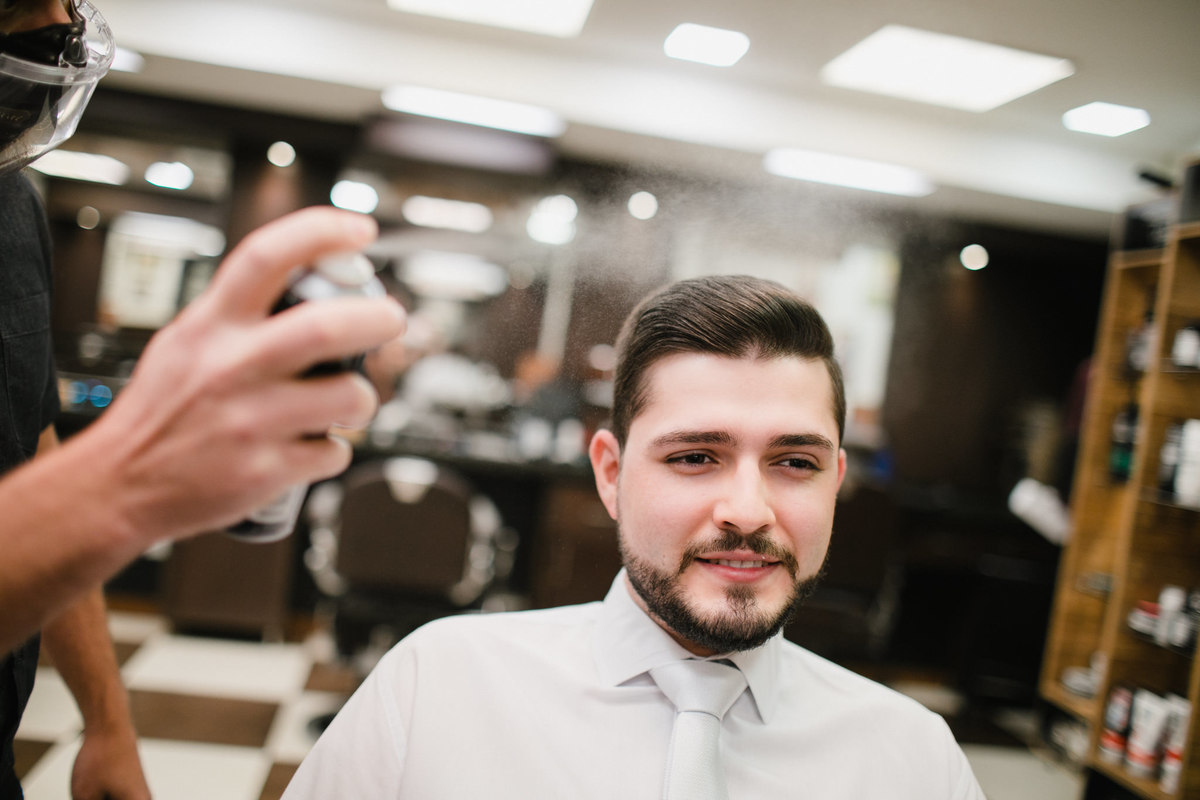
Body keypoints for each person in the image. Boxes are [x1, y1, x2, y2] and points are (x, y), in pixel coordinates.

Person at [282, 275, 985, 799]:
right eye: (695, 457)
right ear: (611, 474)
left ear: (835, 483)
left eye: (795, 463)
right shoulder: (437, 686)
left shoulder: (914, 761)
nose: (748, 511)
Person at [0, 1, 406, 797]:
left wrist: (106, 721)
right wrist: (125, 479)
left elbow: (30, 464)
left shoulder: (15, 208)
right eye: (20, 8)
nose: (57, 29)